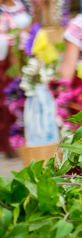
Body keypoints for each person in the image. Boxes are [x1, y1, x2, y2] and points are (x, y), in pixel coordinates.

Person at [0, 0, 33, 156]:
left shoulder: (23, 3)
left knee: (26, 99)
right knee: (8, 102)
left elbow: (31, 27)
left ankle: (27, 141)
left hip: (25, 55)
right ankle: (10, 145)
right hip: (6, 61)